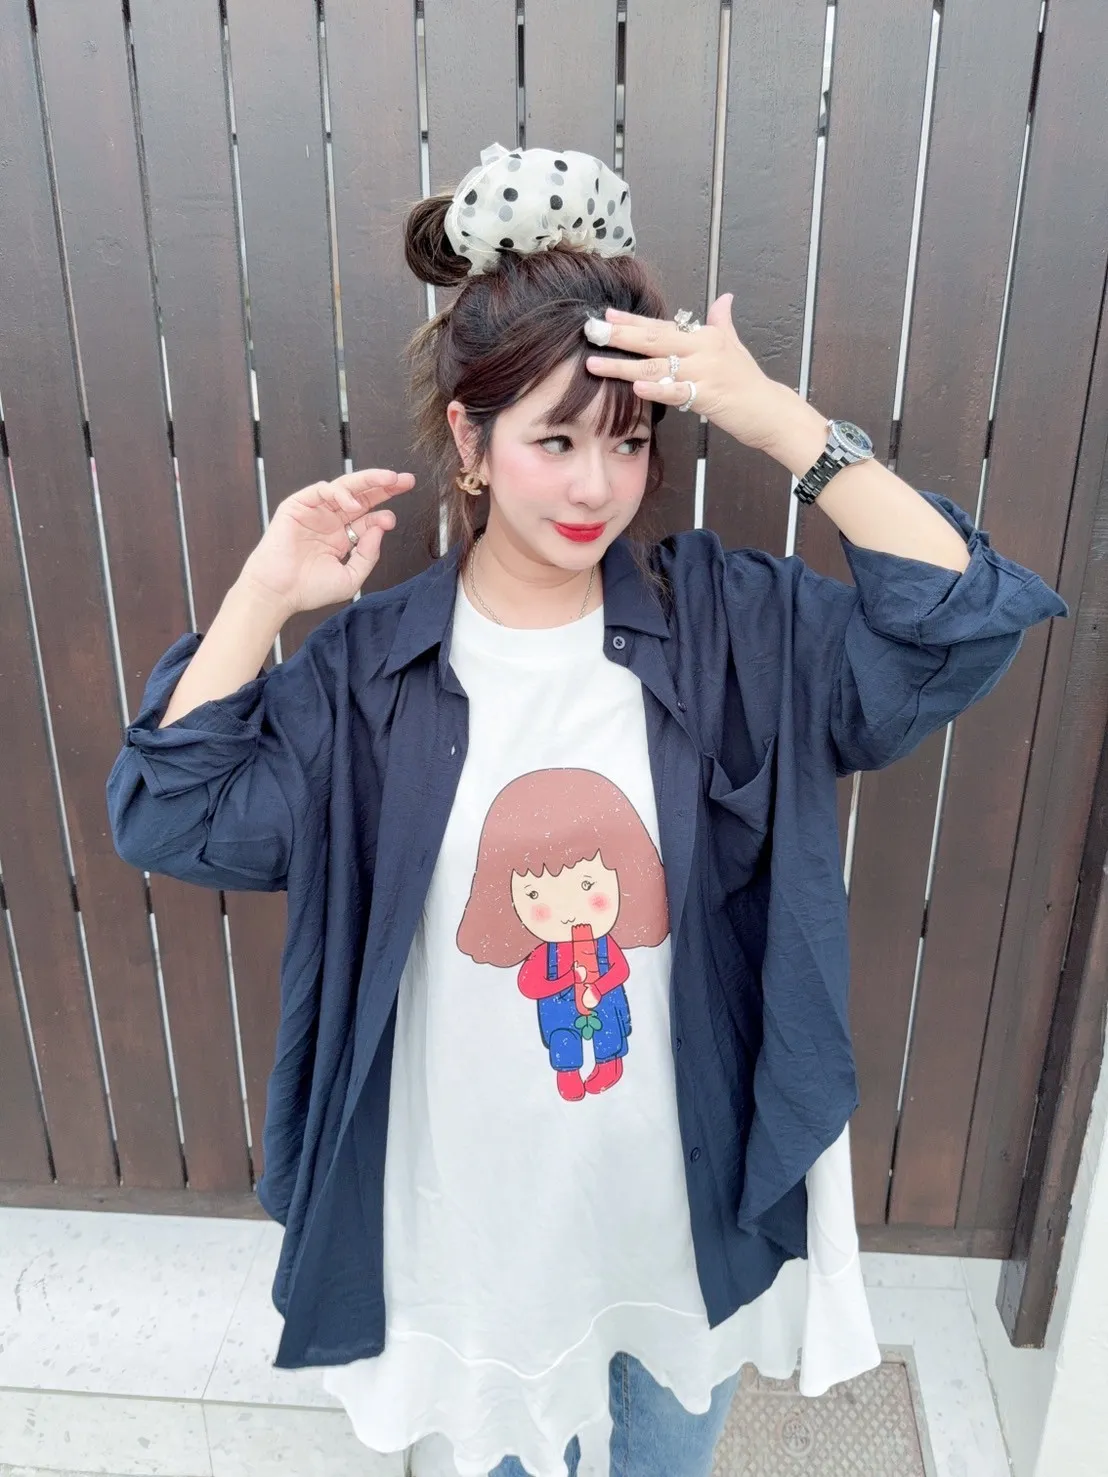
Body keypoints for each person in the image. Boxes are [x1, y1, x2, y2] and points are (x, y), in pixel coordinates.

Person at [106, 141, 1069, 1477]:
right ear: (470, 440)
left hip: (676, 1199)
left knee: (668, 1451)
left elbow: (956, 626)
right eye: (553, 440)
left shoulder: (729, 627)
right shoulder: (373, 677)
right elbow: (173, 814)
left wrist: (776, 418)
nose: (594, 488)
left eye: (625, 441)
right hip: (480, 1218)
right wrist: (264, 594)